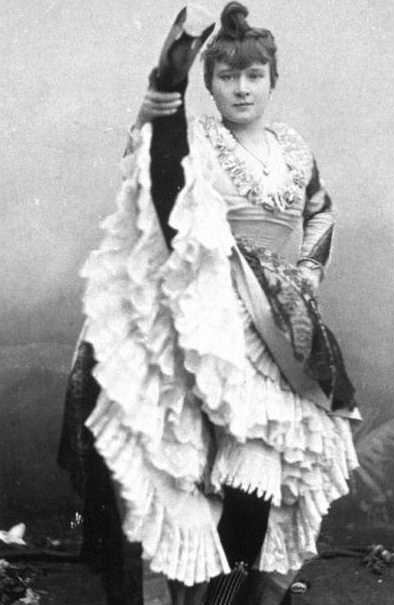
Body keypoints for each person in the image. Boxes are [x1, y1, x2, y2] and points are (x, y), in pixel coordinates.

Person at [59, 3, 360, 604]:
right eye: (227, 76)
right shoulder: (198, 137)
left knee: (263, 469)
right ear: (211, 83)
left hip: (280, 324)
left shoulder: (293, 147)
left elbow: (320, 210)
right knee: (190, 469)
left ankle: (232, 596)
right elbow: (154, 171)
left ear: (272, 80)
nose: (241, 88)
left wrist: (306, 274)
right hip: (209, 313)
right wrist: (157, 101)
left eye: (254, 75)